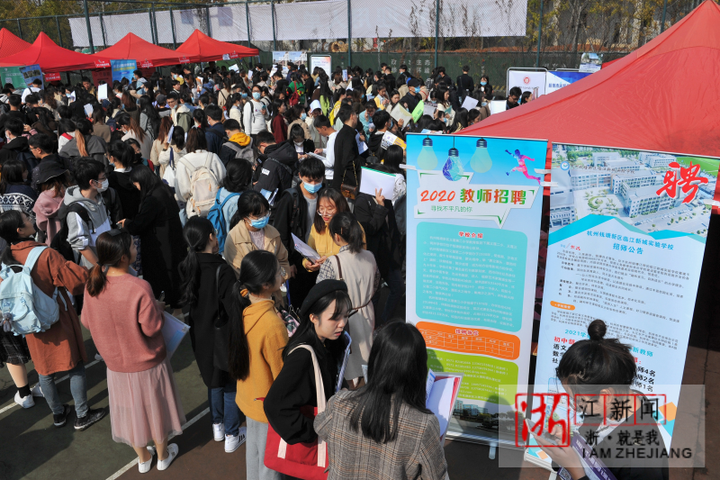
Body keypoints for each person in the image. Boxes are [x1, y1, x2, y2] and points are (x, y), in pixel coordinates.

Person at [82, 229, 184, 472]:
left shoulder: (92, 285)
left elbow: (86, 321)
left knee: (129, 412)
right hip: (148, 363)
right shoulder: (139, 286)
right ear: (124, 257)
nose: (136, 250)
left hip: (116, 366)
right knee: (156, 409)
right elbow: (152, 328)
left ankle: (143, 459)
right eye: (133, 247)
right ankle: (162, 456)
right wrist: (158, 309)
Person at [0, 210, 107, 430]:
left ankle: (58, 414)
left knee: (44, 370)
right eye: (26, 220)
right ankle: (82, 414)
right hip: (56, 315)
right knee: (74, 365)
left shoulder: (5, 258)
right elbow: (75, 281)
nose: (31, 220)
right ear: (20, 230)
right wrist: (96, 270)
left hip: (28, 321)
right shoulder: (44, 253)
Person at [535, 319, 669, 480]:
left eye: (578, 400)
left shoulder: (641, 460)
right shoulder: (608, 405)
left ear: (605, 395)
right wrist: (566, 442)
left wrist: (576, 472)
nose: (576, 407)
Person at [314, 322, 449, 480]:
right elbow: (436, 476)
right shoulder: (424, 424)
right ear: (418, 369)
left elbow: (320, 426)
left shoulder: (340, 402)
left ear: (375, 360)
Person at [178, 217, 246, 454]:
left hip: (199, 335)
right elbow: (232, 306)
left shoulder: (188, 265)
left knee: (212, 380)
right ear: (210, 237)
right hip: (222, 334)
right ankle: (232, 433)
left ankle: (217, 426)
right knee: (229, 383)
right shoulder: (222, 269)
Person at [264, 280, 351, 444]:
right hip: (315, 445)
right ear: (313, 317)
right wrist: (314, 430)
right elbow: (274, 405)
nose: (342, 324)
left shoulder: (329, 341)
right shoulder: (302, 356)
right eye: (335, 318)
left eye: (346, 316)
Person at [227, 250, 288, 480]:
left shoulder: (245, 312)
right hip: (267, 407)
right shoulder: (272, 325)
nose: (281, 274)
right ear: (266, 283)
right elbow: (282, 375)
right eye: (277, 271)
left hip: (248, 399)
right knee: (270, 467)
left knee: (254, 456)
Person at [317, 213, 379, 386]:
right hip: (367, 312)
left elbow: (320, 293)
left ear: (337, 236)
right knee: (367, 355)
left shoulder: (334, 262)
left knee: (349, 363)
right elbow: (376, 285)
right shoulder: (370, 256)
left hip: (345, 319)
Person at [117, 166, 186, 307]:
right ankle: (175, 302)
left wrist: (127, 223)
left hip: (159, 244)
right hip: (173, 239)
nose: (136, 187)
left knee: (162, 275)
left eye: (136, 183)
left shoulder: (152, 199)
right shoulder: (163, 189)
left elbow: (139, 224)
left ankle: (167, 304)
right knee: (173, 273)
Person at [271, 157, 325, 308]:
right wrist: (289, 262)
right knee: (299, 300)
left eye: (317, 180)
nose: (313, 184)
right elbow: (281, 231)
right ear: (300, 176)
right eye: (309, 180)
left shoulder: (325, 195)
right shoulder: (290, 198)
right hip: (297, 257)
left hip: (319, 256)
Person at [354, 179, 404, 326]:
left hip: (389, 254)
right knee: (374, 295)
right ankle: (373, 326)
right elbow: (370, 229)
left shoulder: (386, 199)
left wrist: (397, 249)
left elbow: (392, 226)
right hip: (372, 256)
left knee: (398, 287)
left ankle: (384, 321)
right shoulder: (362, 201)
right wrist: (380, 208)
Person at [225, 191, 291, 298]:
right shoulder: (234, 239)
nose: (264, 217)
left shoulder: (273, 233)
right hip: (251, 298)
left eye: (265, 212)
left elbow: (283, 261)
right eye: (258, 215)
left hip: (275, 296)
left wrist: (280, 278)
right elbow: (239, 274)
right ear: (245, 217)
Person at [63, 159, 113, 268]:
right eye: (103, 178)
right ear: (92, 182)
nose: (106, 180)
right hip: (94, 269)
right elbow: (81, 246)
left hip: (109, 259)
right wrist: (100, 267)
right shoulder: (77, 211)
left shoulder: (100, 199)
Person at [175, 128, 226, 218]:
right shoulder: (213, 157)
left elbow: (181, 192)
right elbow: (223, 179)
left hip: (194, 210)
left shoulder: (182, 162)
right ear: (204, 140)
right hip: (215, 207)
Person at [33, 162, 71, 245]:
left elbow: (41, 225)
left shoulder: (42, 198)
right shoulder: (71, 193)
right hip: (73, 238)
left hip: (54, 241)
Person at [252, 130, 298, 199]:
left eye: (259, 149)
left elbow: (263, 189)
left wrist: (256, 185)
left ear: (263, 145)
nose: (260, 152)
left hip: (278, 203)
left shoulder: (271, 162)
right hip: (290, 197)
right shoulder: (287, 154)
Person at [331, 105, 364, 198]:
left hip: (340, 180)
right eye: (356, 115)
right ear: (352, 116)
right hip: (346, 184)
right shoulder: (348, 135)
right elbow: (348, 160)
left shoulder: (344, 133)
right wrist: (361, 163)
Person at [216, 158, 253, 239]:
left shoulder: (221, 190)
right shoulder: (238, 200)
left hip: (221, 236)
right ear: (246, 178)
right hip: (233, 240)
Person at [106, 140, 142, 222]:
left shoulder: (111, 179)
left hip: (123, 221)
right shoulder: (138, 172)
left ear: (112, 158)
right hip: (140, 217)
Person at [312, 115, 338, 182]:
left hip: (331, 175)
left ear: (324, 128)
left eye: (318, 130)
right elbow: (334, 150)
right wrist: (323, 150)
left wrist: (316, 162)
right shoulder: (337, 133)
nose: (319, 133)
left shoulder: (332, 140)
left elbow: (330, 163)